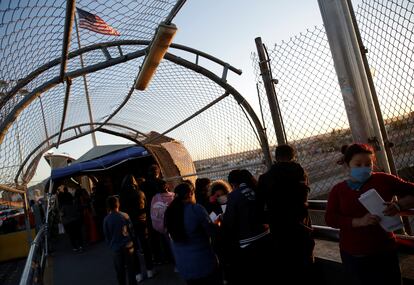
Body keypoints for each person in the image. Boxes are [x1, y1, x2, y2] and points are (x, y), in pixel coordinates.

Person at [325, 143, 414, 285]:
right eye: (358, 165)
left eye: (368, 164)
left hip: (384, 251)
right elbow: (330, 219)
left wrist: (399, 205)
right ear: (348, 166)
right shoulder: (338, 190)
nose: (364, 168)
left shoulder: (384, 180)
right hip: (353, 255)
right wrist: (359, 221)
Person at [257, 144, 315, 282]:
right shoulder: (300, 173)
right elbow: (303, 198)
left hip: (278, 229)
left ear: (276, 158)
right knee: (306, 266)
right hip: (301, 227)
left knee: (286, 268)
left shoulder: (265, 178)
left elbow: (259, 207)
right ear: (293, 156)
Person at [165, 181, 222, 285]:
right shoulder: (195, 209)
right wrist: (217, 224)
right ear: (190, 194)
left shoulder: (170, 212)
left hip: (184, 268)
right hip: (204, 265)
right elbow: (212, 232)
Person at [222, 169, 272, 285]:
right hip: (266, 234)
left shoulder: (234, 195)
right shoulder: (256, 188)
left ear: (233, 184)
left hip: (248, 241)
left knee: (255, 274)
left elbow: (230, 221)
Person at [119, 174, 154, 282]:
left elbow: (122, 211)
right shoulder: (140, 193)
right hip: (142, 222)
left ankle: (138, 274)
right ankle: (150, 271)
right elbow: (147, 208)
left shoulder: (122, 195)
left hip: (129, 224)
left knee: (132, 248)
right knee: (145, 246)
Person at [103, 196, 138, 285]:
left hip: (116, 247)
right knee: (131, 269)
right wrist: (134, 242)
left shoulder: (106, 219)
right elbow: (132, 231)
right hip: (128, 245)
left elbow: (107, 236)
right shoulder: (125, 215)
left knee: (120, 271)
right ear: (118, 204)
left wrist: (111, 245)